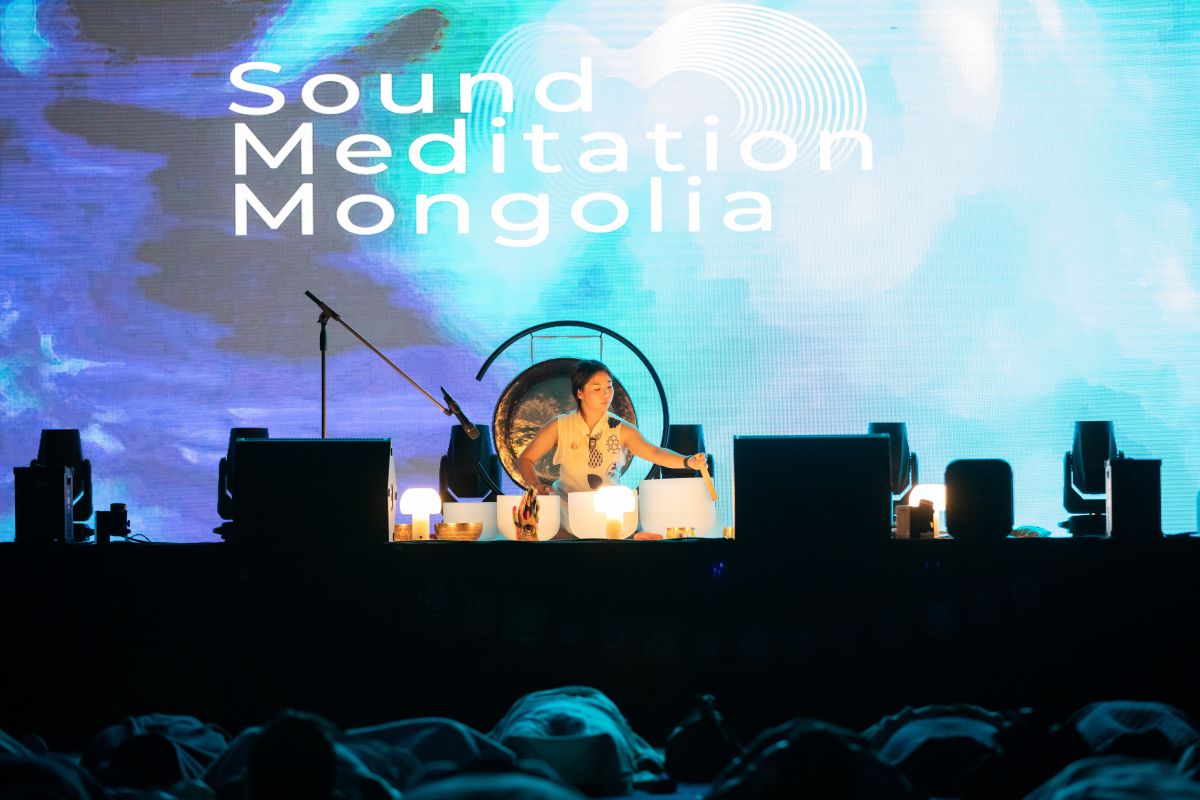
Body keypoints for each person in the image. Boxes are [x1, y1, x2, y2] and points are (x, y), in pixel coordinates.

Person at [517, 359, 706, 506]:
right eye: (597, 388)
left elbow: (654, 453)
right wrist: (536, 486)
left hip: (608, 507)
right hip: (566, 503)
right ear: (580, 393)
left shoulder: (621, 428)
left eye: (609, 386)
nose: (606, 393)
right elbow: (526, 459)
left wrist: (686, 461)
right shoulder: (560, 425)